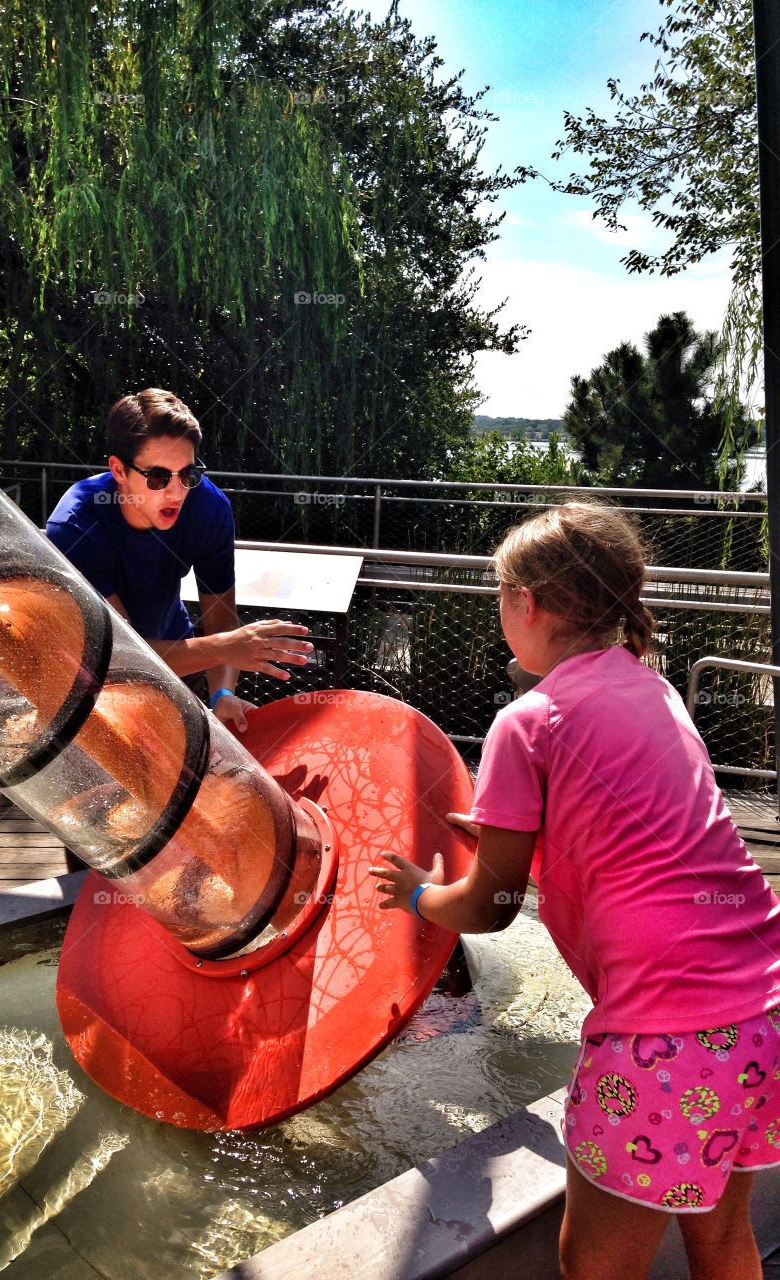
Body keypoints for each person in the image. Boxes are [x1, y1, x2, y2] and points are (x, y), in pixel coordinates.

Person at [370, 501, 780, 1280]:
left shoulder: (527, 720)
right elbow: (634, 838)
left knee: (595, 1265)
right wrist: (511, 836)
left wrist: (423, 894)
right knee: (724, 1241)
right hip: (763, 1014)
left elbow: (488, 912)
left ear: (526, 603)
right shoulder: (652, 690)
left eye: (500, 594)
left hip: (668, 1040)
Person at [46, 389, 313, 730]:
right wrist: (222, 648)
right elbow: (121, 657)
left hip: (178, 661)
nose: (176, 493)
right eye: (158, 477)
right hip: (95, 684)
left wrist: (222, 696)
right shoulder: (76, 527)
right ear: (118, 470)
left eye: (187, 474)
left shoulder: (209, 508)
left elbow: (220, 616)